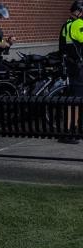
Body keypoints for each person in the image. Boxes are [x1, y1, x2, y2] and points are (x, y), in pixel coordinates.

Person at [59, 1, 83, 143]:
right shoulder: (78, 24)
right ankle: (70, 132)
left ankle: (73, 129)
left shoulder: (66, 25)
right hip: (78, 68)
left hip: (70, 66)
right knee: (75, 100)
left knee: (73, 99)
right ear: (78, 11)